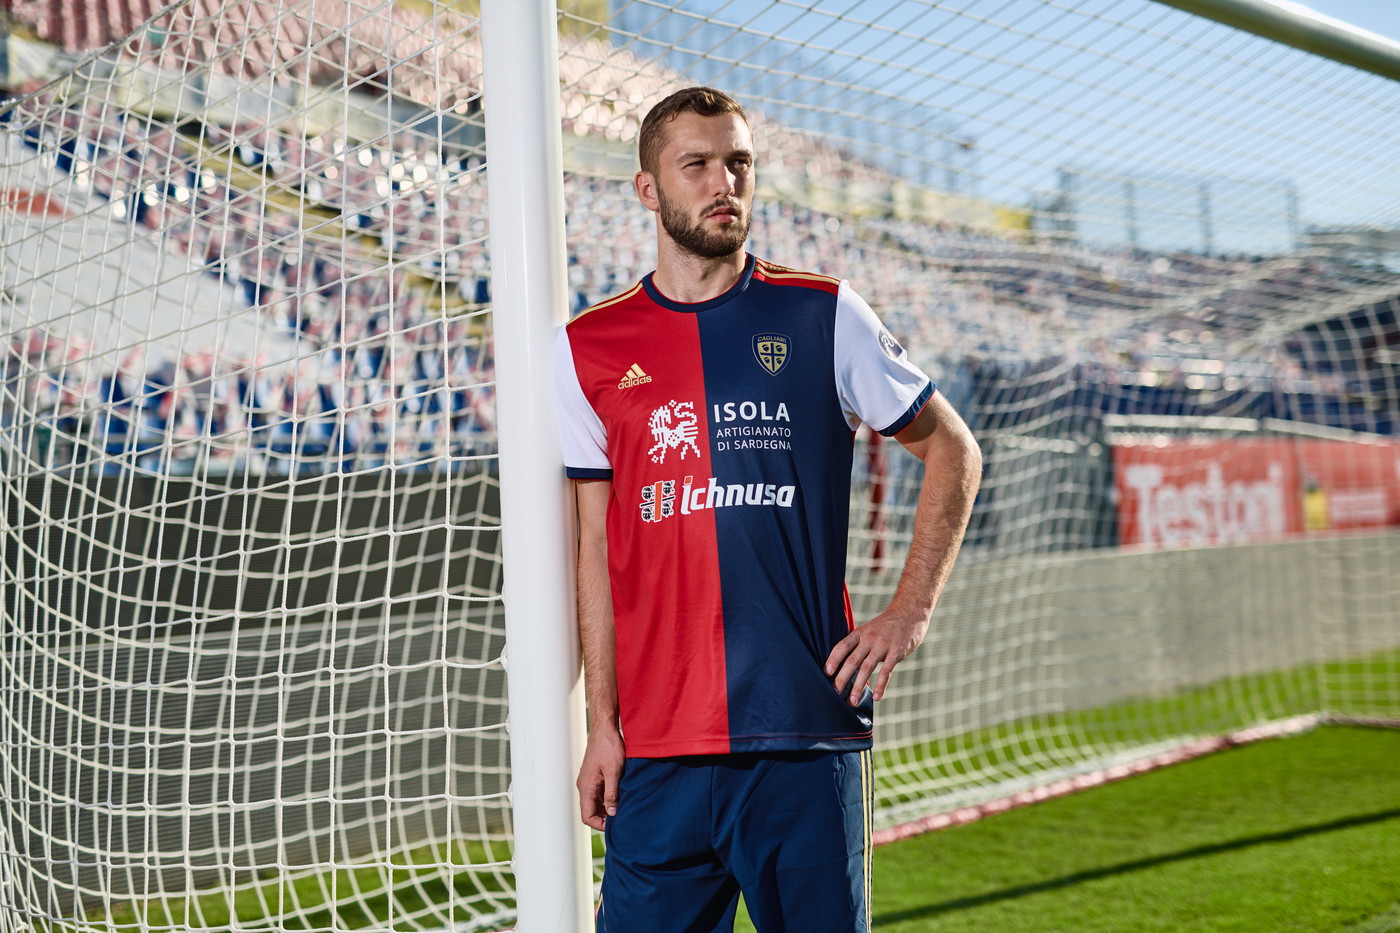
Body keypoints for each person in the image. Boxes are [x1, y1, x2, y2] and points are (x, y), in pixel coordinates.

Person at [552, 86, 982, 932]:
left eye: (739, 162)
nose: (725, 182)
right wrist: (601, 722)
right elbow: (595, 547)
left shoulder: (824, 312)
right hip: (657, 754)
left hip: (803, 741)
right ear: (648, 189)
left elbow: (954, 449)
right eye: (698, 164)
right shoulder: (588, 347)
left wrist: (908, 613)